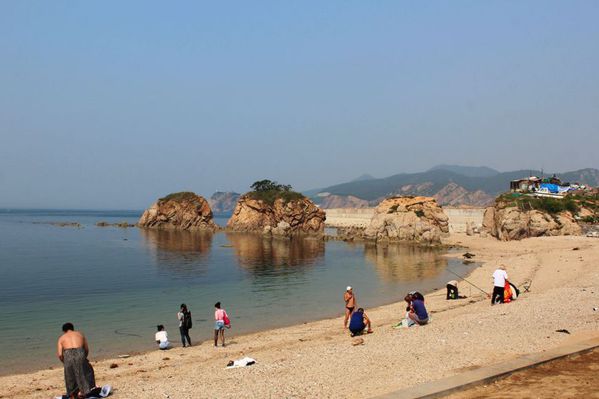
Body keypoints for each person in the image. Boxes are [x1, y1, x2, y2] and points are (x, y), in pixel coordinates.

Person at [57, 323, 96, 399]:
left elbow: (60, 355)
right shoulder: (80, 335)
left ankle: (72, 394)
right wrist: (84, 358)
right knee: (85, 371)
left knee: (69, 375)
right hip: (80, 352)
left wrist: (64, 362)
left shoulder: (61, 338)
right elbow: (86, 349)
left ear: (64, 331)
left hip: (68, 354)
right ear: (73, 328)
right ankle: (84, 391)